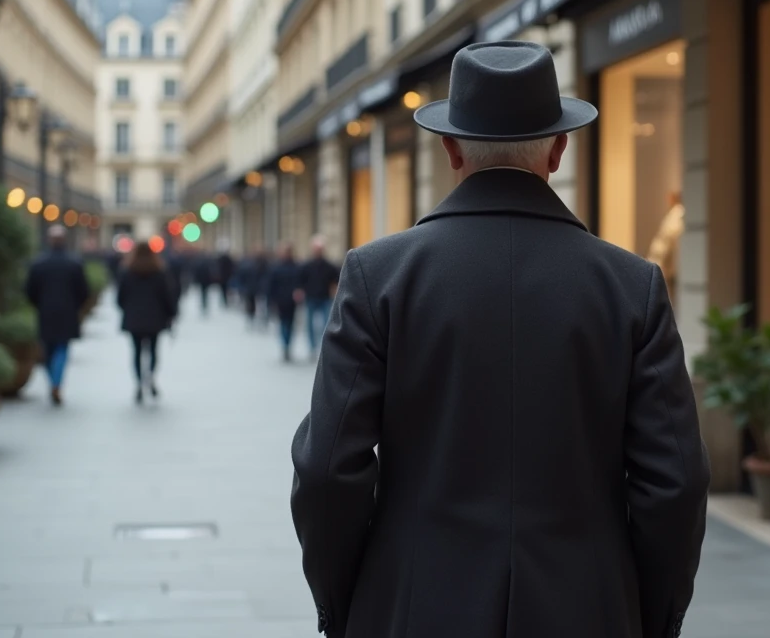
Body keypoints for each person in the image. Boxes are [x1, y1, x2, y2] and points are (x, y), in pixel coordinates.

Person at [291, 41, 711, 638]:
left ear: (451, 148)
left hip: (416, 601)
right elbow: (675, 482)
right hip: (586, 606)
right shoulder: (631, 286)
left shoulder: (377, 276)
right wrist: (652, 614)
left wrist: (343, 603)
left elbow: (327, 471)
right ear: (559, 149)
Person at [25, 225, 89, 406]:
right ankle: (56, 383)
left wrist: (38, 304)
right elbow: (83, 291)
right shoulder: (74, 263)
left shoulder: (39, 263)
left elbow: (29, 290)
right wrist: (76, 306)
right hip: (67, 312)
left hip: (46, 311)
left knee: (48, 350)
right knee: (62, 348)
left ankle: (54, 382)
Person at [117, 242, 177, 404]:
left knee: (136, 352)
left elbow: (120, 297)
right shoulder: (159, 272)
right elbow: (168, 296)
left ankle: (138, 382)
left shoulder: (127, 272)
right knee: (153, 350)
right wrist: (171, 314)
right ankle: (150, 376)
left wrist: (128, 310)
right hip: (155, 318)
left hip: (134, 318)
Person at [296, 235, 339, 356]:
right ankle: (312, 346)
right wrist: (300, 291)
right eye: (316, 248)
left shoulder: (329, 265)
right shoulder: (306, 265)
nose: (318, 251)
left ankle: (325, 345)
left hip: (325, 297)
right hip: (311, 297)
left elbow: (336, 279)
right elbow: (300, 280)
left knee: (327, 324)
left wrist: (334, 291)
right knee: (310, 324)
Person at [266, 243, 301, 361]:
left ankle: (287, 344)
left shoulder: (296, 266)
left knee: (289, 323)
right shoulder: (276, 267)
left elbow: (300, 283)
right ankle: (285, 345)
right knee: (283, 323)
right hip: (281, 300)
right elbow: (271, 285)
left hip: (291, 300)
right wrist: (271, 300)